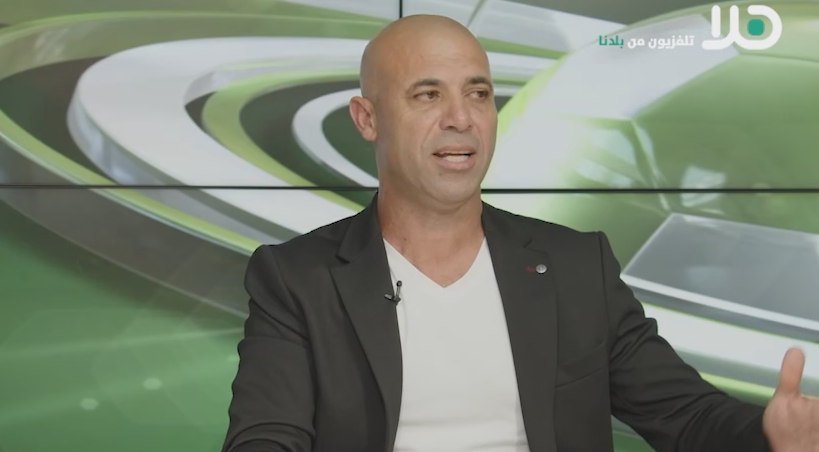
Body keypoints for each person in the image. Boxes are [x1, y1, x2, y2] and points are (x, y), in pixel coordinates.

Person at [221, 14, 819, 452]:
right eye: (428, 94)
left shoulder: (577, 266)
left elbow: (688, 416)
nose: (461, 117)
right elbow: (266, 437)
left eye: (478, 93)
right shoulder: (296, 278)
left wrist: (769, 434)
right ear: (367, 119)